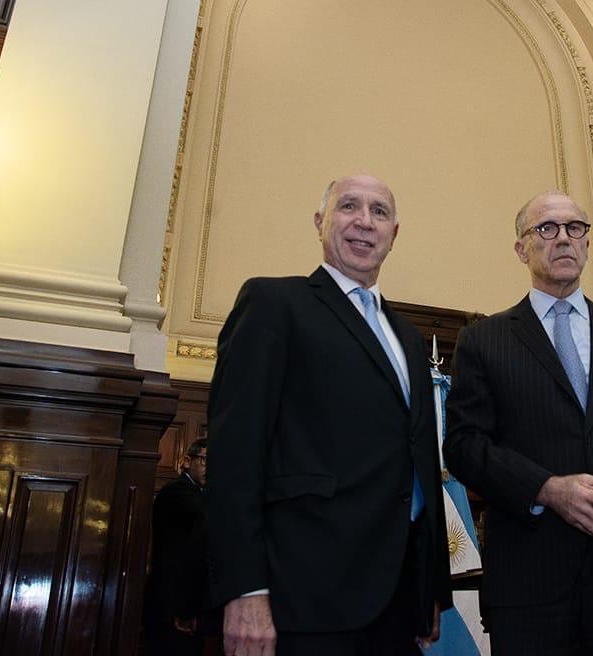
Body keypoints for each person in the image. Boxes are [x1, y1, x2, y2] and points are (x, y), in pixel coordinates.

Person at [207, 174, 451, 656]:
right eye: (348, 207)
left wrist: (432, 587)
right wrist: (245, 589)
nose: (364, 221)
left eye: (379, 212)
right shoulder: (274, 303)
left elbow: (420, 462)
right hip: (302, 599)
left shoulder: (406, 335)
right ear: (321, 223)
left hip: (399, 600)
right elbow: (236, 455)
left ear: (394, 234)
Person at [444, 190, 593, 655]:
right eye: (546, 229)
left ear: (587, 243)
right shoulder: (483, 340)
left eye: (574, 228)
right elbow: (464, 445)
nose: (563, 239)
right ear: (521, 248)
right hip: (530, 585)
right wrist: (547, 489)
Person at [144, 438, 218, 656]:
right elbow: (184, 558)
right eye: (206, 461)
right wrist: (185, 609)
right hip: (172, 608)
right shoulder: (177, 492)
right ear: (187, 461)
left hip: (186, 607)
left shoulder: (199, 494)